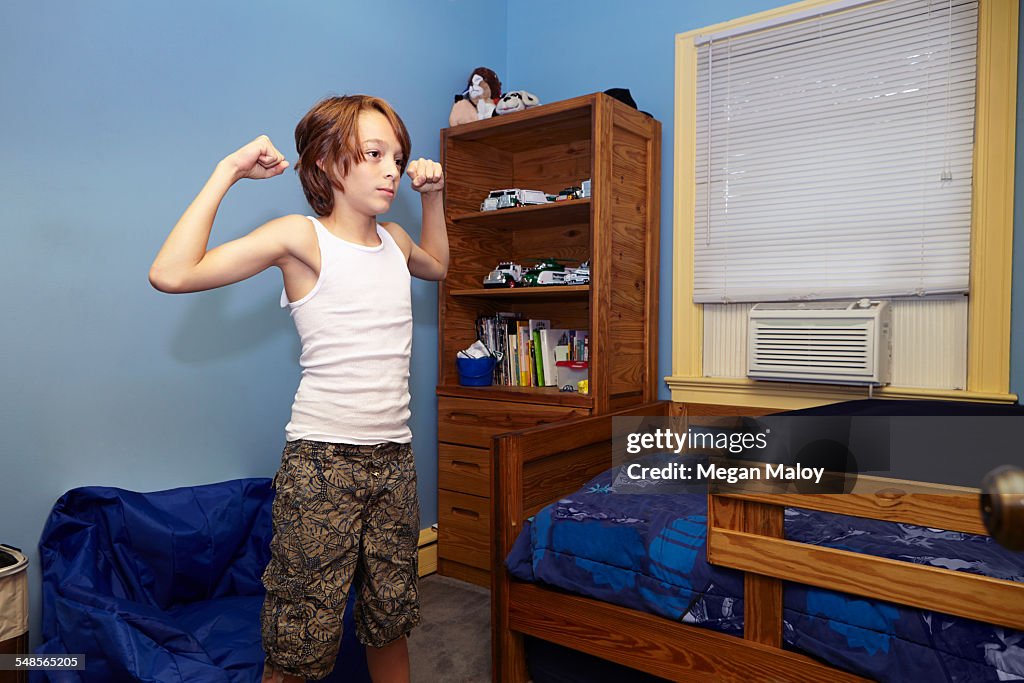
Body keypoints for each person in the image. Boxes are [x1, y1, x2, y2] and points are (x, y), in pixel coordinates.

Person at [149, 94, 447, 683]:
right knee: (300, 643)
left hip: (394, 462)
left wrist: (432, 197)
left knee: (390, 620)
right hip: (323, 465)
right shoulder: (301, 239)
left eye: (398, 155)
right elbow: (171, 273)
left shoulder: (395, 241)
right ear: (328, 164)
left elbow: (438, 263)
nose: (392, 168)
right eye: (373, 153)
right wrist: (227, 171)